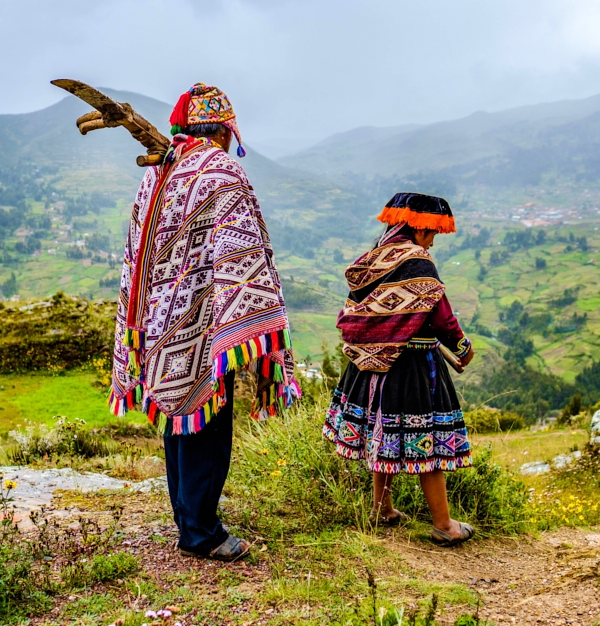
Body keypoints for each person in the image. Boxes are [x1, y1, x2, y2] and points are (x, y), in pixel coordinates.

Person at [110, 83, 300, 562]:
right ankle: (201, 532)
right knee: (206, 427)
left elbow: (140, 252)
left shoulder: (157, 171)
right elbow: (243, 251)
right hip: (204, 321)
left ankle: (188, 519)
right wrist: (246, 314)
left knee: (179, 418)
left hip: (158, 322)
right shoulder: (221, 171)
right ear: (225, 131)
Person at [323, 192, 476, 547]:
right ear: (420, 227)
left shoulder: (376, 257)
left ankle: (382, 509)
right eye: (432, 233)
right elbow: (442, 317)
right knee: (429, 443)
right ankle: (443, 524)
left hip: (371, 363)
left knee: (384, 434)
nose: (434, 241)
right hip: (411, 366)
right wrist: (463, 349)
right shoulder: (417, 261)